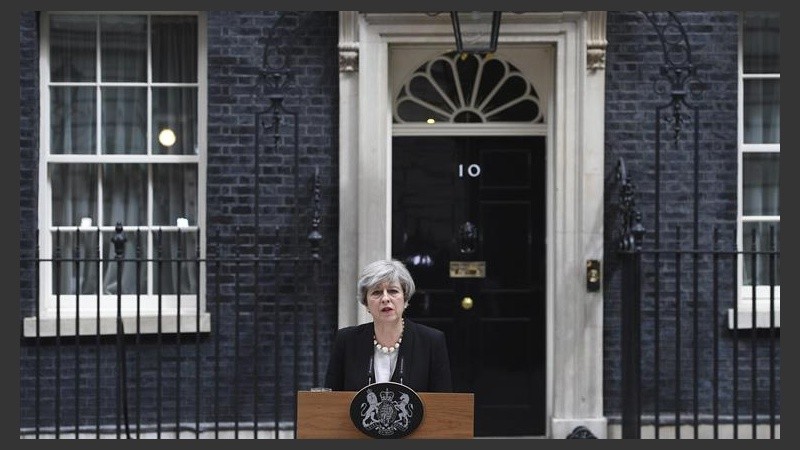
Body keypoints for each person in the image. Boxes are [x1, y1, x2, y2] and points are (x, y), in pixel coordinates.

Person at [324, 259, 453, 392]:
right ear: (366, 303)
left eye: (393, 291)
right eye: (377, 292)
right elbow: (330, 399)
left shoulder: (431, 341)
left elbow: (443, 404)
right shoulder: (346, 340)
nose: (385, 298)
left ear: (405, 298)